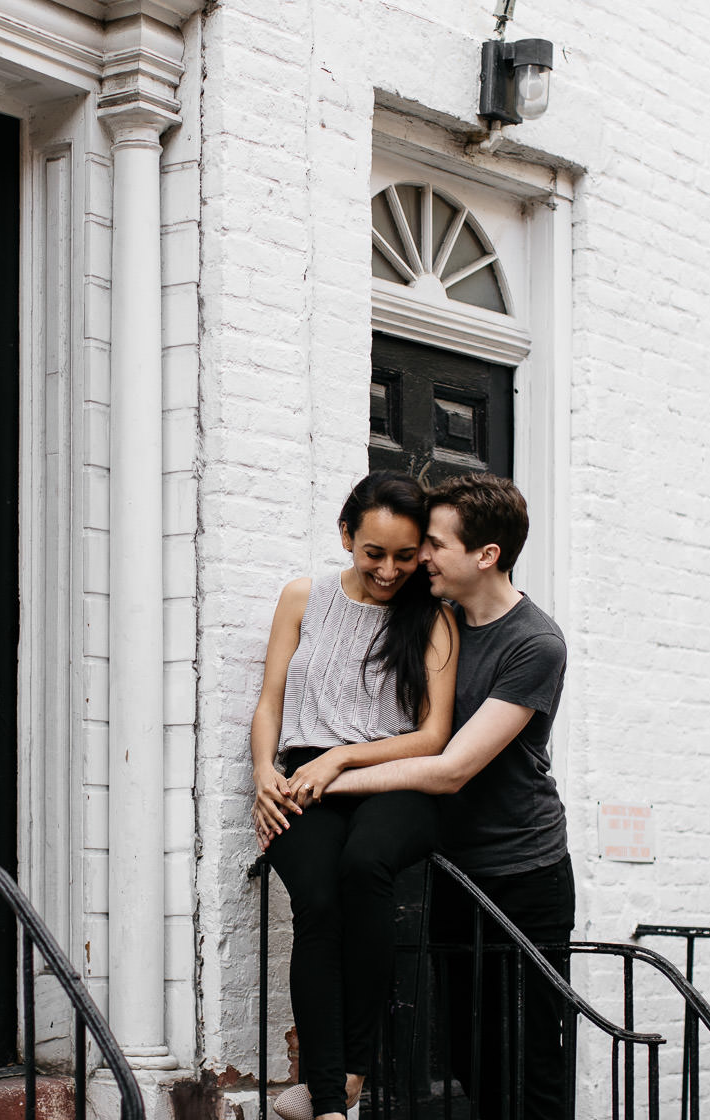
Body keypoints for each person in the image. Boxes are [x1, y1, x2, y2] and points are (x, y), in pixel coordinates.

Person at [324, 472, 572, 1120]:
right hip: (457, 871)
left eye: (433, 543)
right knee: (467, 1055)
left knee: (529, 1062)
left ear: (485, 554)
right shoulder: (439, 618)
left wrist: (330, 777)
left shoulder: (533, 643)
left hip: (524, 873)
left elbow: (451, 767)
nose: (419, 556)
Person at [251, 472, 460, 1120]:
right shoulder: (302, 596)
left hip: (392, 775)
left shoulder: (434, 617)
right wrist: (263, 774)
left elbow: (433, 734)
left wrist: (343, 757)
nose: (390, 570)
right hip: (304, 775)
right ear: (347, 535)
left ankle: (350, 1075)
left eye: (405, 555)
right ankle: (332, 1105)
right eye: (375, 553)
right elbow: (271, 702)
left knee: (365, 864)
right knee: (317, 903)